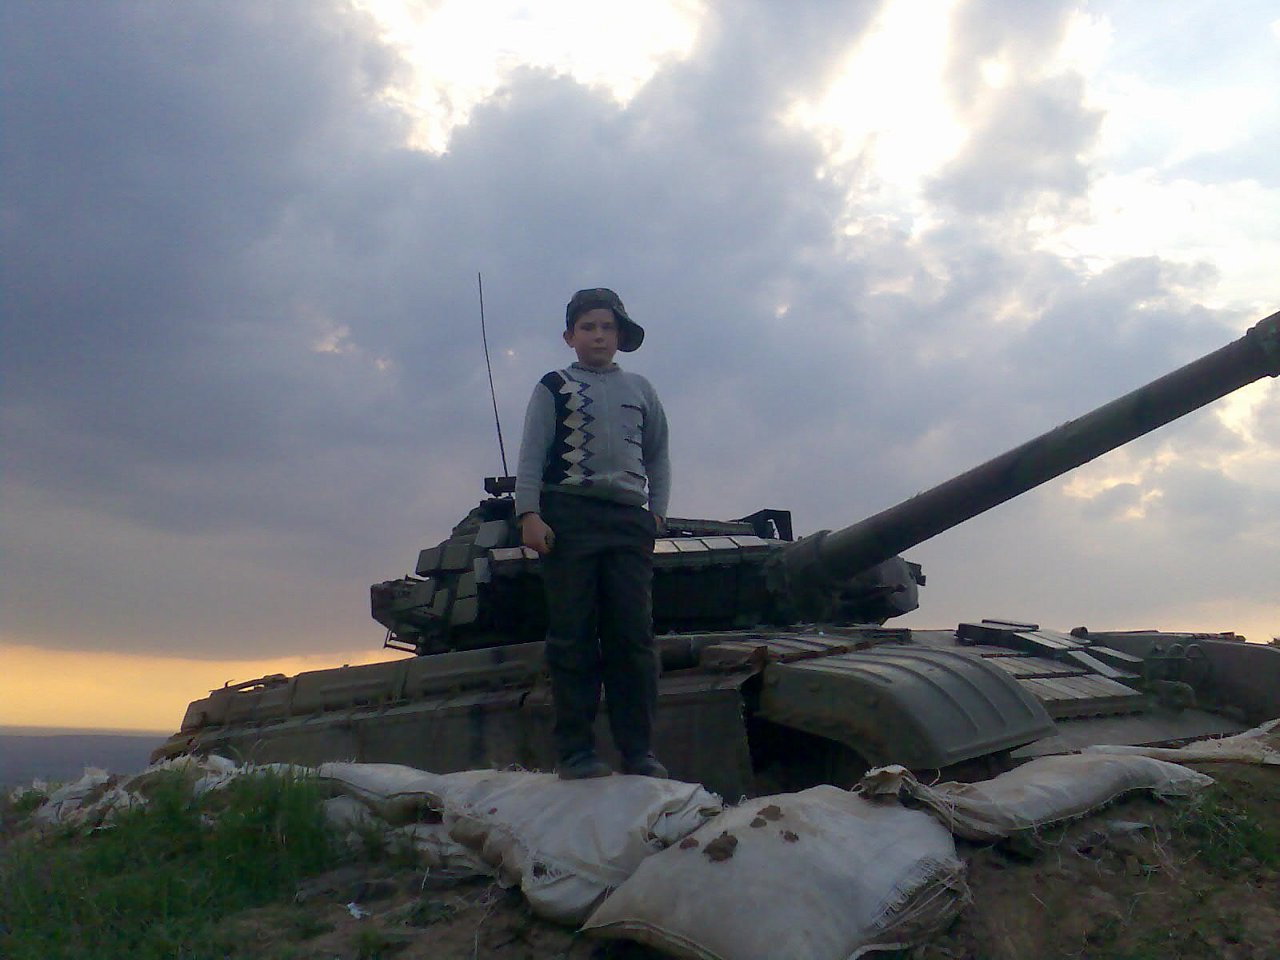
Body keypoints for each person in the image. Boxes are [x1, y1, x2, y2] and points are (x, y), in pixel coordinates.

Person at [514, 288, 671, 780]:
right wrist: (528, 514)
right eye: (588, 327)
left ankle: (638, 751)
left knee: (633, 638)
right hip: (569, 516)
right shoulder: (553, 386)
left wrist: (657, 515)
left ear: (620, 335)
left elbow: (658, 455)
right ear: (570, 336)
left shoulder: (641, 389)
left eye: (607, 327)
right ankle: (576, 753)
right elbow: (531, 454)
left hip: (627, 519)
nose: (598, 336)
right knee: (573, 637)